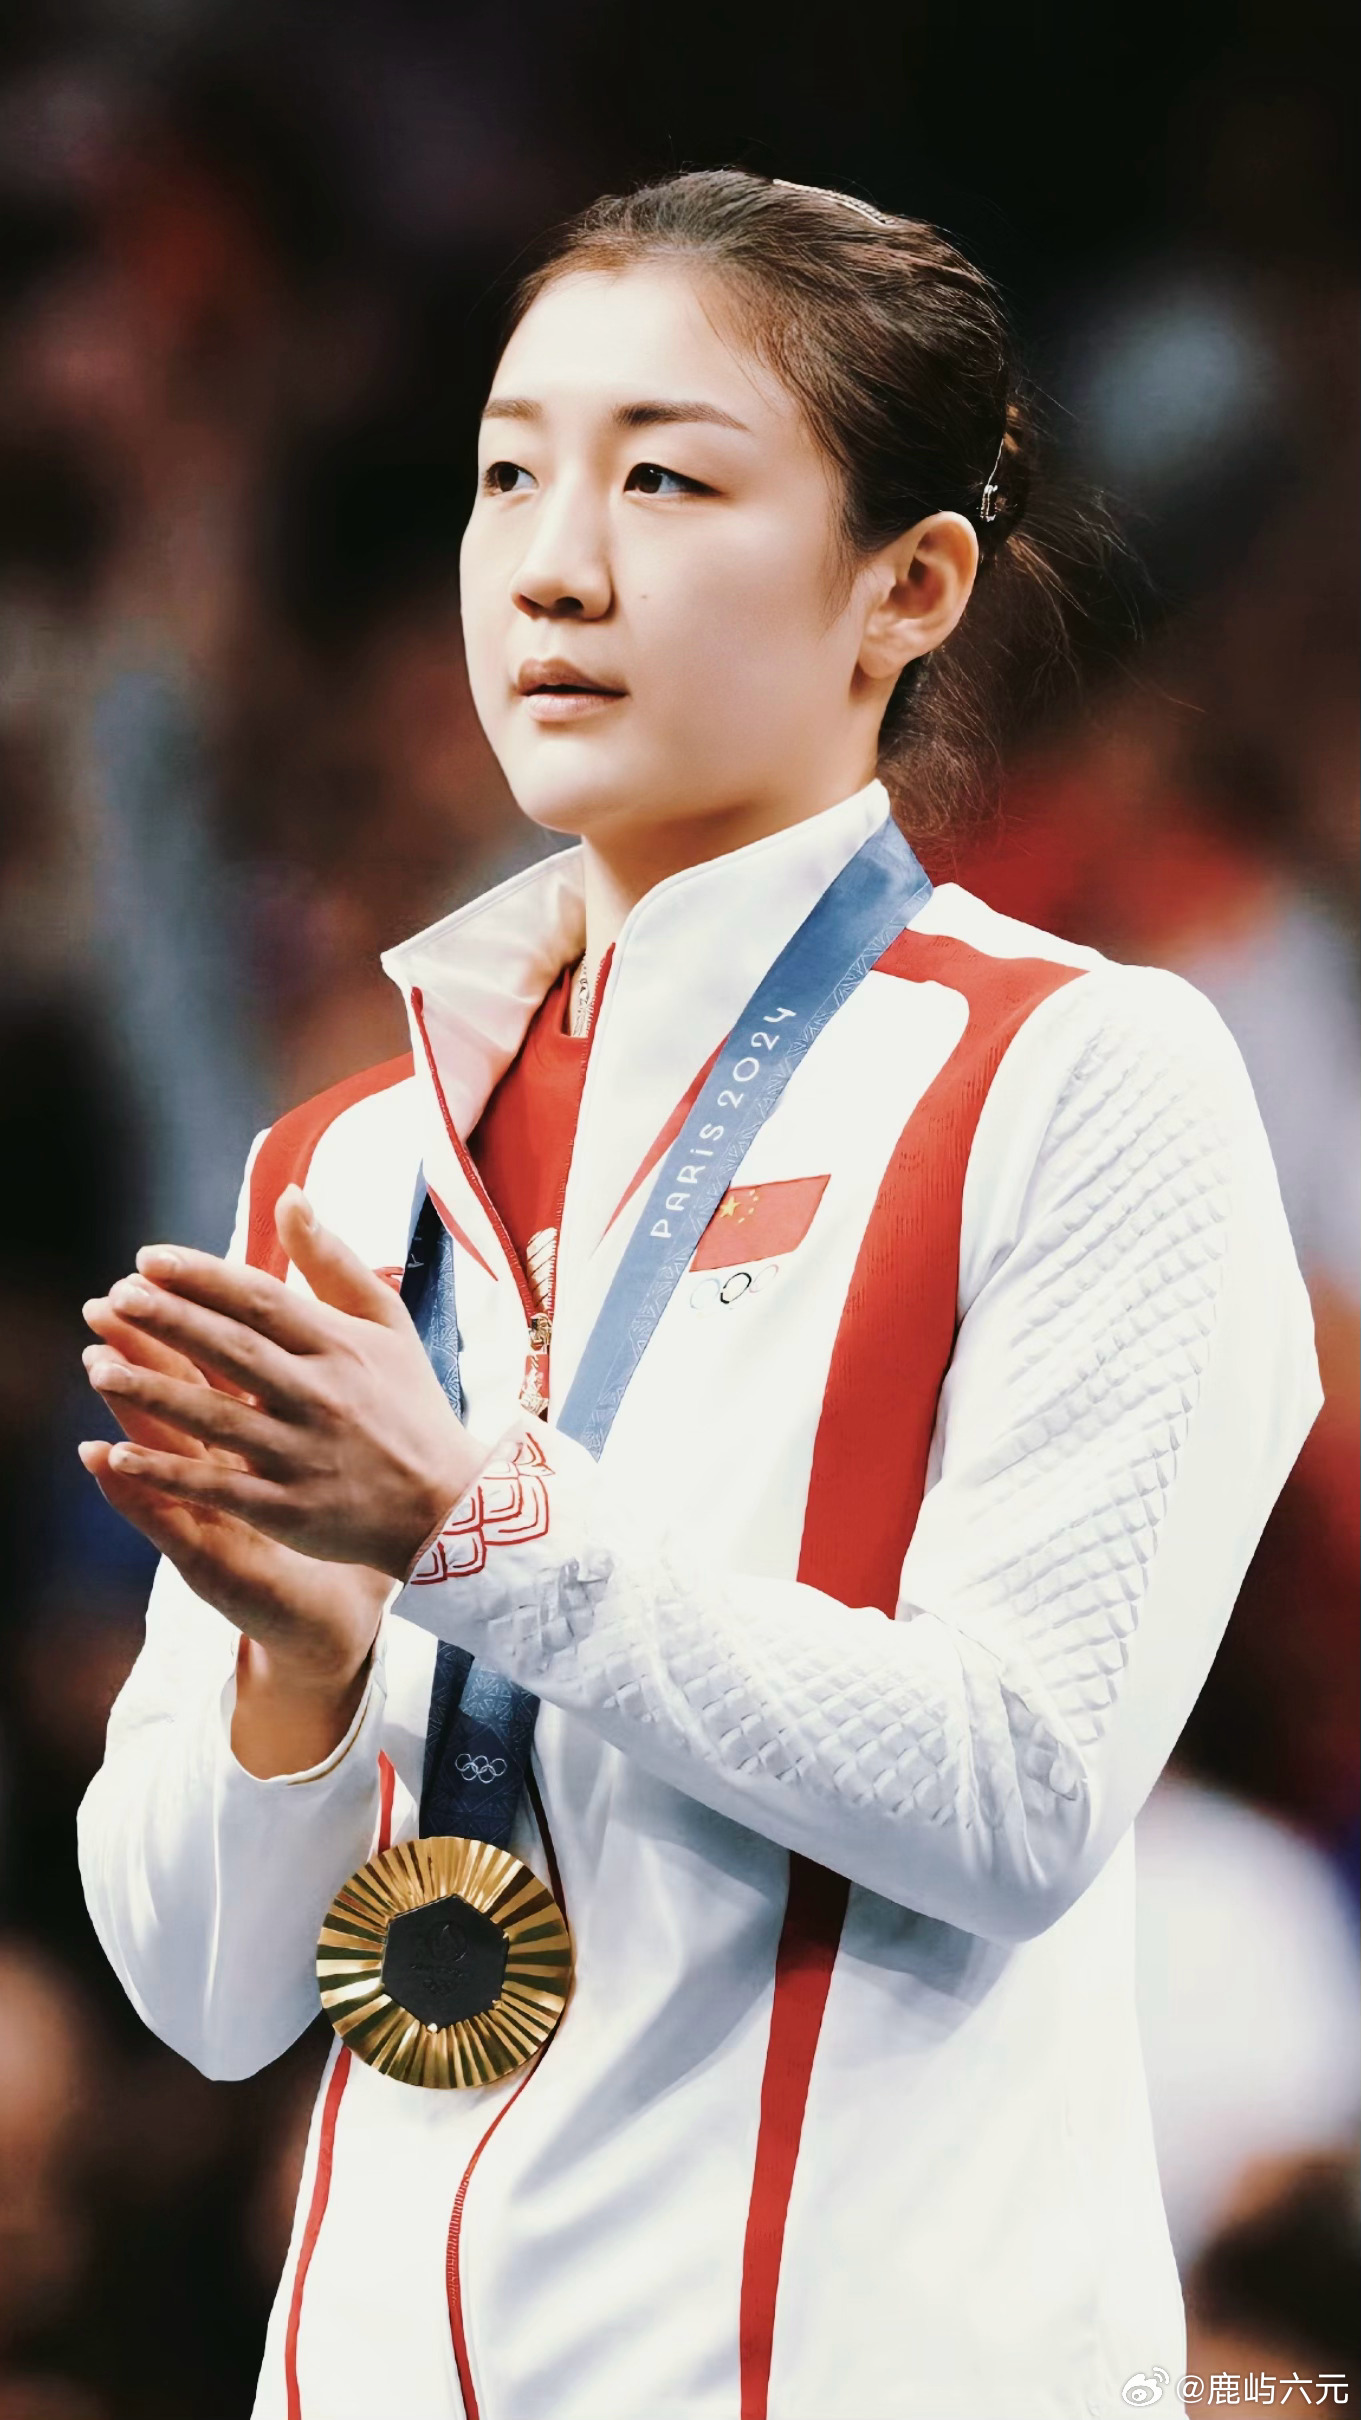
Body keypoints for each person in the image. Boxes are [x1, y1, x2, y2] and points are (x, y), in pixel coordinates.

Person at [74, 172, 1319, 2420]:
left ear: (906, 585)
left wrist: (470, 1529)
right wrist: (302, 1663)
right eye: (507, 474)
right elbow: (206, 1991)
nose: (554, 563)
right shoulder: (346, 1167)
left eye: (663, 478)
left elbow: (1022, 1788)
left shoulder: (1079, 1076)